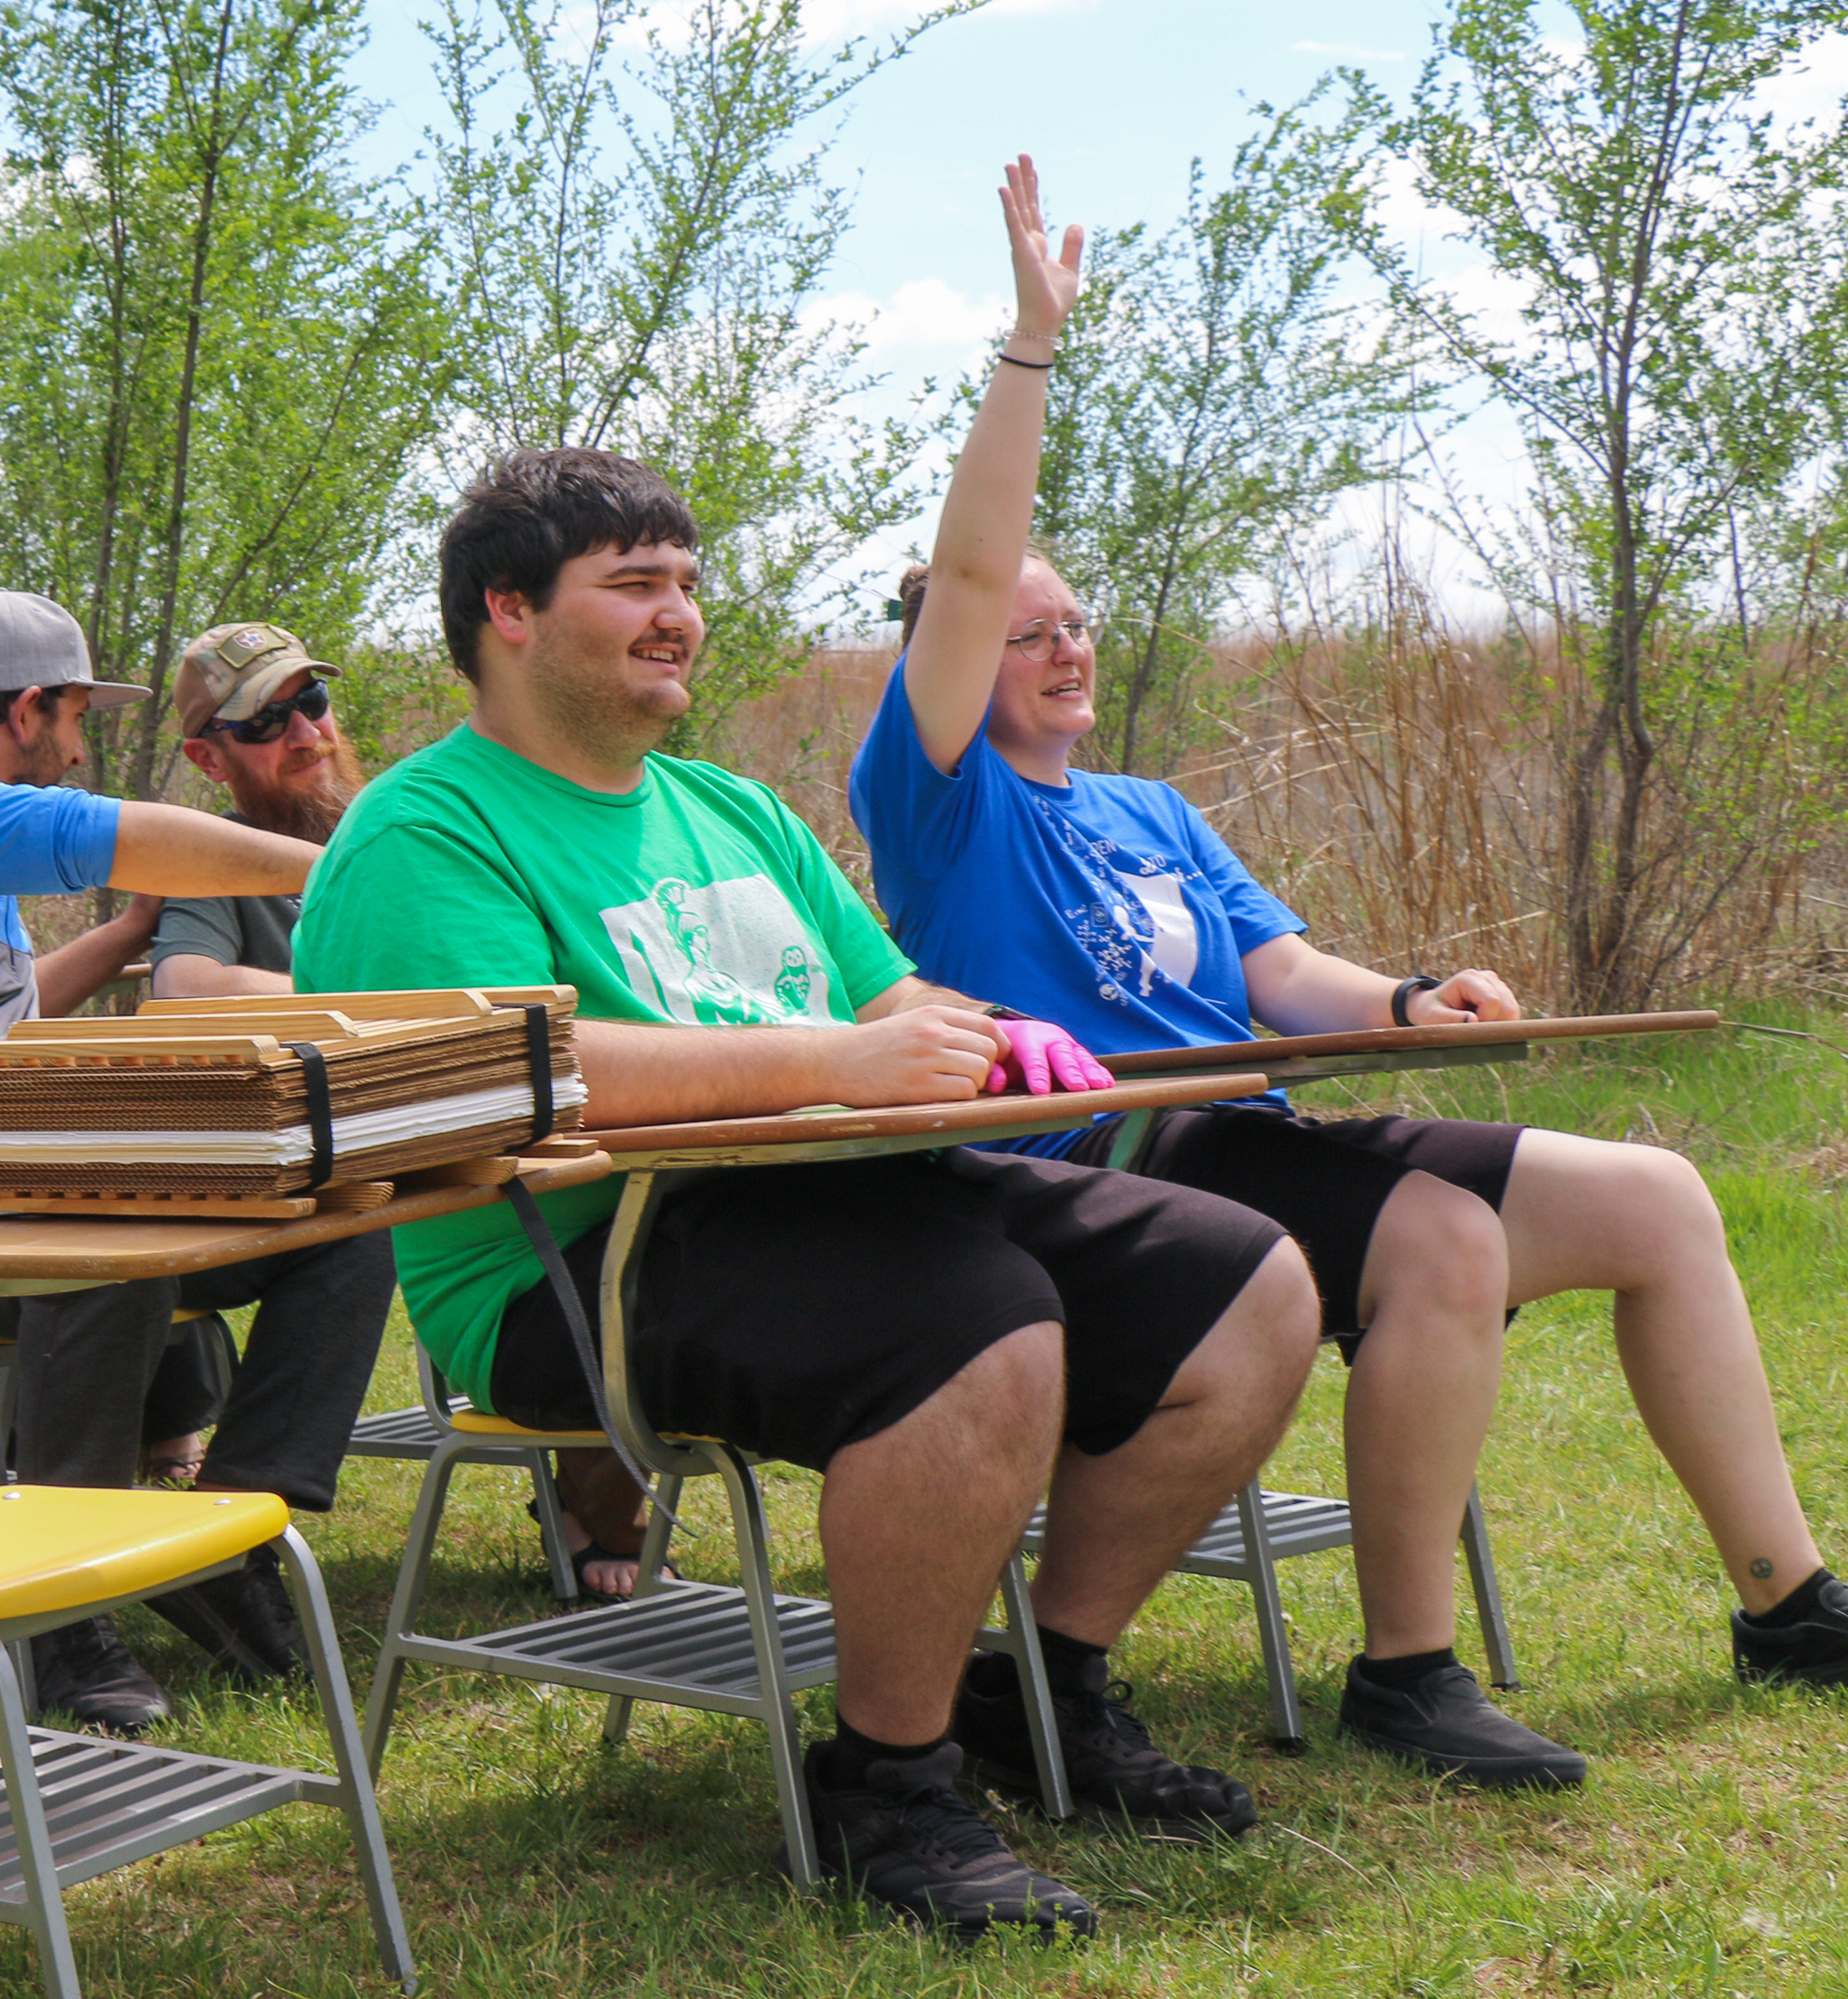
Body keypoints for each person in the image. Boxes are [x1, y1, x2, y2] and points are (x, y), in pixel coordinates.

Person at [849, 170, 1848, 1793]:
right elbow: (967, 578)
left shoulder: (1149, 809)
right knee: (1443, 1232)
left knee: (1659, 1195)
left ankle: (1789, 1600)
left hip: (1245, 1127)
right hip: (1098, 1147)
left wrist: (1411, 1000)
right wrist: (1030, 352)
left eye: (1079, 622)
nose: (1065, 646)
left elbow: (1283, 971)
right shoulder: (937, 793)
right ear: (946, 665)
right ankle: (1409, 1668)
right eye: (1029, 632)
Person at [288, 437, 1328, 1942]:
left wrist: (972, 1030)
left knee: (1245, 1284)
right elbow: (521, 1059)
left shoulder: (731, 810)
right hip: (569, 1261)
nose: (679, 613)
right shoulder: (428, 825)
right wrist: (834, 1057)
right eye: (634, 581)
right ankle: (888, 1783)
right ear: (507, 611)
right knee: (985, 1327)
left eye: (687, 583)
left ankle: (1036, 1684)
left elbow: (887, 988)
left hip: (830, 1186)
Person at [0, 588, 370, 1734]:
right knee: (105, 1221)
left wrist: (130, 935)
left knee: (337, 1210)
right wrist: (347, 867)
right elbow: (119, 831)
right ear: (33, 705)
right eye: (78, 711)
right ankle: (58, 1597)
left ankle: (225, 1537)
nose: (83, 738)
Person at [146, 622, 356, 999]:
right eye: (264, 723)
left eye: (313, 701)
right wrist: (377, 995)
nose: (307, 736)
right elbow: (185, 989)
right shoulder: (217, 859)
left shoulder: (394, 823)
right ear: (209, 759)